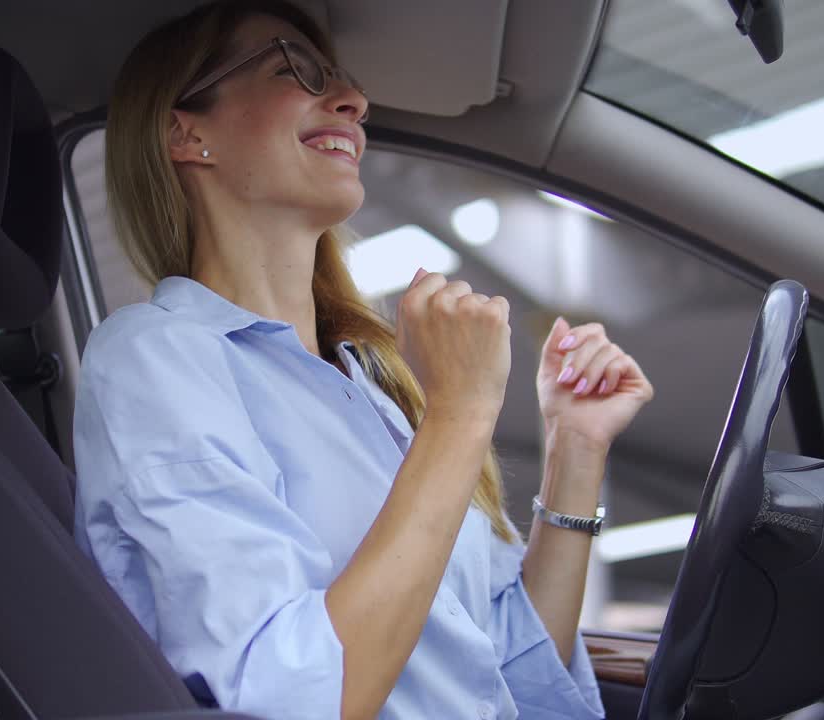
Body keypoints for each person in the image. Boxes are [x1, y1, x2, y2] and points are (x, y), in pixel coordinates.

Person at [72, 1, 640, 718]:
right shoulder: (153, 359)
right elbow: (299, 697)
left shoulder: (367, 390)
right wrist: (460, 414)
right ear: (187, 133)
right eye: (293, 69)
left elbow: (511, 660)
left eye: (342, 81)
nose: (354, 101)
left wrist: (575, 451)